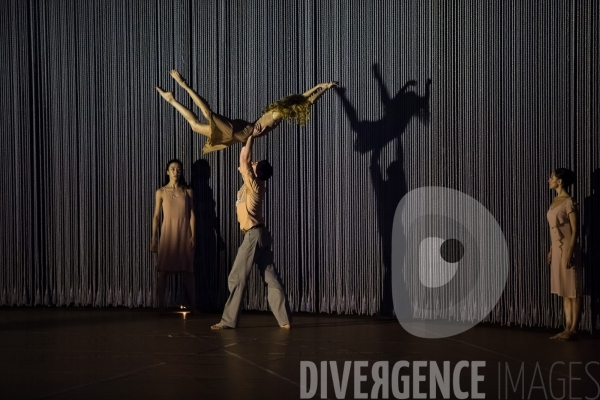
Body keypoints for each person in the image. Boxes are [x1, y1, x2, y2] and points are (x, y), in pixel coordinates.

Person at [211, 128, 291, 329]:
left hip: (254, 235)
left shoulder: (254, 186)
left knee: (237, 276)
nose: (252, 163)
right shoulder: (255, 185)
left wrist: (251, 137)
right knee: (270, 276)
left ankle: (228, 321)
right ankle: (285, 320)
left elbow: (244, 158)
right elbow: (247, 159)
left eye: (255, 165)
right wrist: (249, 140)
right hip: (260, 234)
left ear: (256, 172)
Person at [156, 70, 337, 153]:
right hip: (243, 132)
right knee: (206, 113)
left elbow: (304, 100)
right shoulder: (280, 113)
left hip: (243, 132)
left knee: (195, 126)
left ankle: (171, 99)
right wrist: (322, 88)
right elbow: (306, 100)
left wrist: (321, 87)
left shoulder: (279, 109)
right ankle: (182, 84)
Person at [151, 159, 199, 314]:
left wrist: (193, 235)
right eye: (172, 169)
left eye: (178, 169)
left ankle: (194, 306)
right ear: (167, 172)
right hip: (168, 233)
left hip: (184, 232)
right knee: (164, 271)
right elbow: (156, 216)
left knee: (189, 272)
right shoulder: (161, 192)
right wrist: (154, 238)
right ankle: (161, 306)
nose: (176, 172)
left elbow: (192, 214)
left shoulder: (188, 191)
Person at [546, 168, 581, 340]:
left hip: (568, 247)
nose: (549, 180)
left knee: (573, 289)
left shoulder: (569, 202)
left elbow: (575, 231)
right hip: (557, 248)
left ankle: (573, 329)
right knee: (564, 290)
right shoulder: (554, 201)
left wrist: (570, 252)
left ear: (559, 181)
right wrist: (552, 249)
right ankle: (567, 327)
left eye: (551, 177)